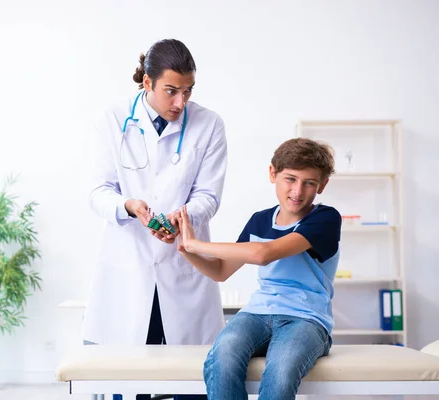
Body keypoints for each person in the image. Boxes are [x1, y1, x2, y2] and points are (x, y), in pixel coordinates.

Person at [83, 38, 228, 400]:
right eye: (171, 91)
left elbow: (208, 197)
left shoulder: (209, 124)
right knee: (130, 379)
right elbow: (98, 192)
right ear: (147, 83)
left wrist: (183, 216)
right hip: (129, 264)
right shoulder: (113, 120)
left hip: (184, 263)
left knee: (192, 380)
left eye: (188, 90)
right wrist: (130, 207)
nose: (181, 101)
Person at [177, 137, 341, 400]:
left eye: (309, 182)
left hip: (306, 319)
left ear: (322, 185)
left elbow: (263, 254)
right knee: (223, 356)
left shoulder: (325, 218)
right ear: (272, 174)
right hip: (257, 314)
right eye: (290, 179)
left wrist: (197, 244)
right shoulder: (260, 220)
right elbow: (220, 271)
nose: (297, 191)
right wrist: (185, 248)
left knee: (281, 371)